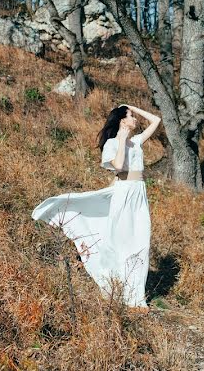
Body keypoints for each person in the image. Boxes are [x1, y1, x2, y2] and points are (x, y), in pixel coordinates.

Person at [31, 104, 161, 310]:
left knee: (141, 240)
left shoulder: (136, 142)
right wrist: (121, 138)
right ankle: (119, 289)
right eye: (131, 116)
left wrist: (131, 107)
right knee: (121, 241)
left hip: (139, 194)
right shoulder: (112, 144)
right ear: (122, 120)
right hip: (123, 192)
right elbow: (118, 167)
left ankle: (136, 294)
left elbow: (156, 120)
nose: (136, 120)